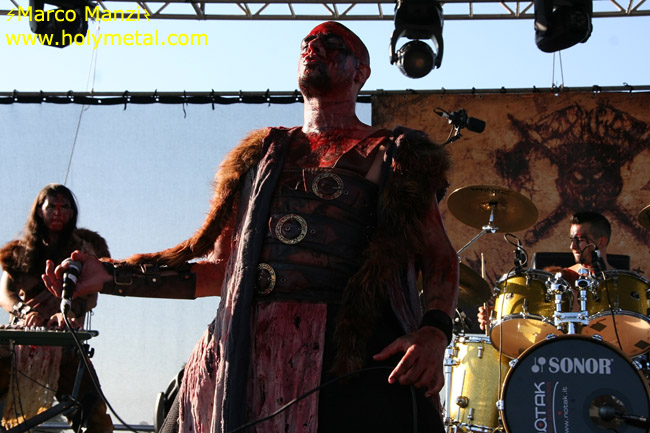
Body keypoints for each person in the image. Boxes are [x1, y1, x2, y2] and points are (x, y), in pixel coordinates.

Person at [43, 22, 459, 433]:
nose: (313, 48)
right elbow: (221, 272)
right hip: (246, 355)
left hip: (350, 360)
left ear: (361, 72)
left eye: (332, 43)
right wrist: (110, 276)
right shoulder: (261, 155)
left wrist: (435, 332)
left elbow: (440, 257)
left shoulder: (395, 154)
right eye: (307, 42)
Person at [0, 183, 113, 433]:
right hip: (20, 346)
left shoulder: (85, 250)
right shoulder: (19, 252)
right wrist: (26, 312)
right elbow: (4, 293)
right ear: (39, 211)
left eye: (65, 207)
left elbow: (92, 296)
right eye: (51, 206)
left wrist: (68, 312)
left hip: (66, 346)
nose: (58, 212)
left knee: (95, 419)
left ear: (72, 212)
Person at [478, 211, 613, 329]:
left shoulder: (621, 284)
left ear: (601, 242)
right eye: (572, 240)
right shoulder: (560, 279)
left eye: (580, 239)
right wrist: (497, 317)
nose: (572, 246)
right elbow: (531, 323)